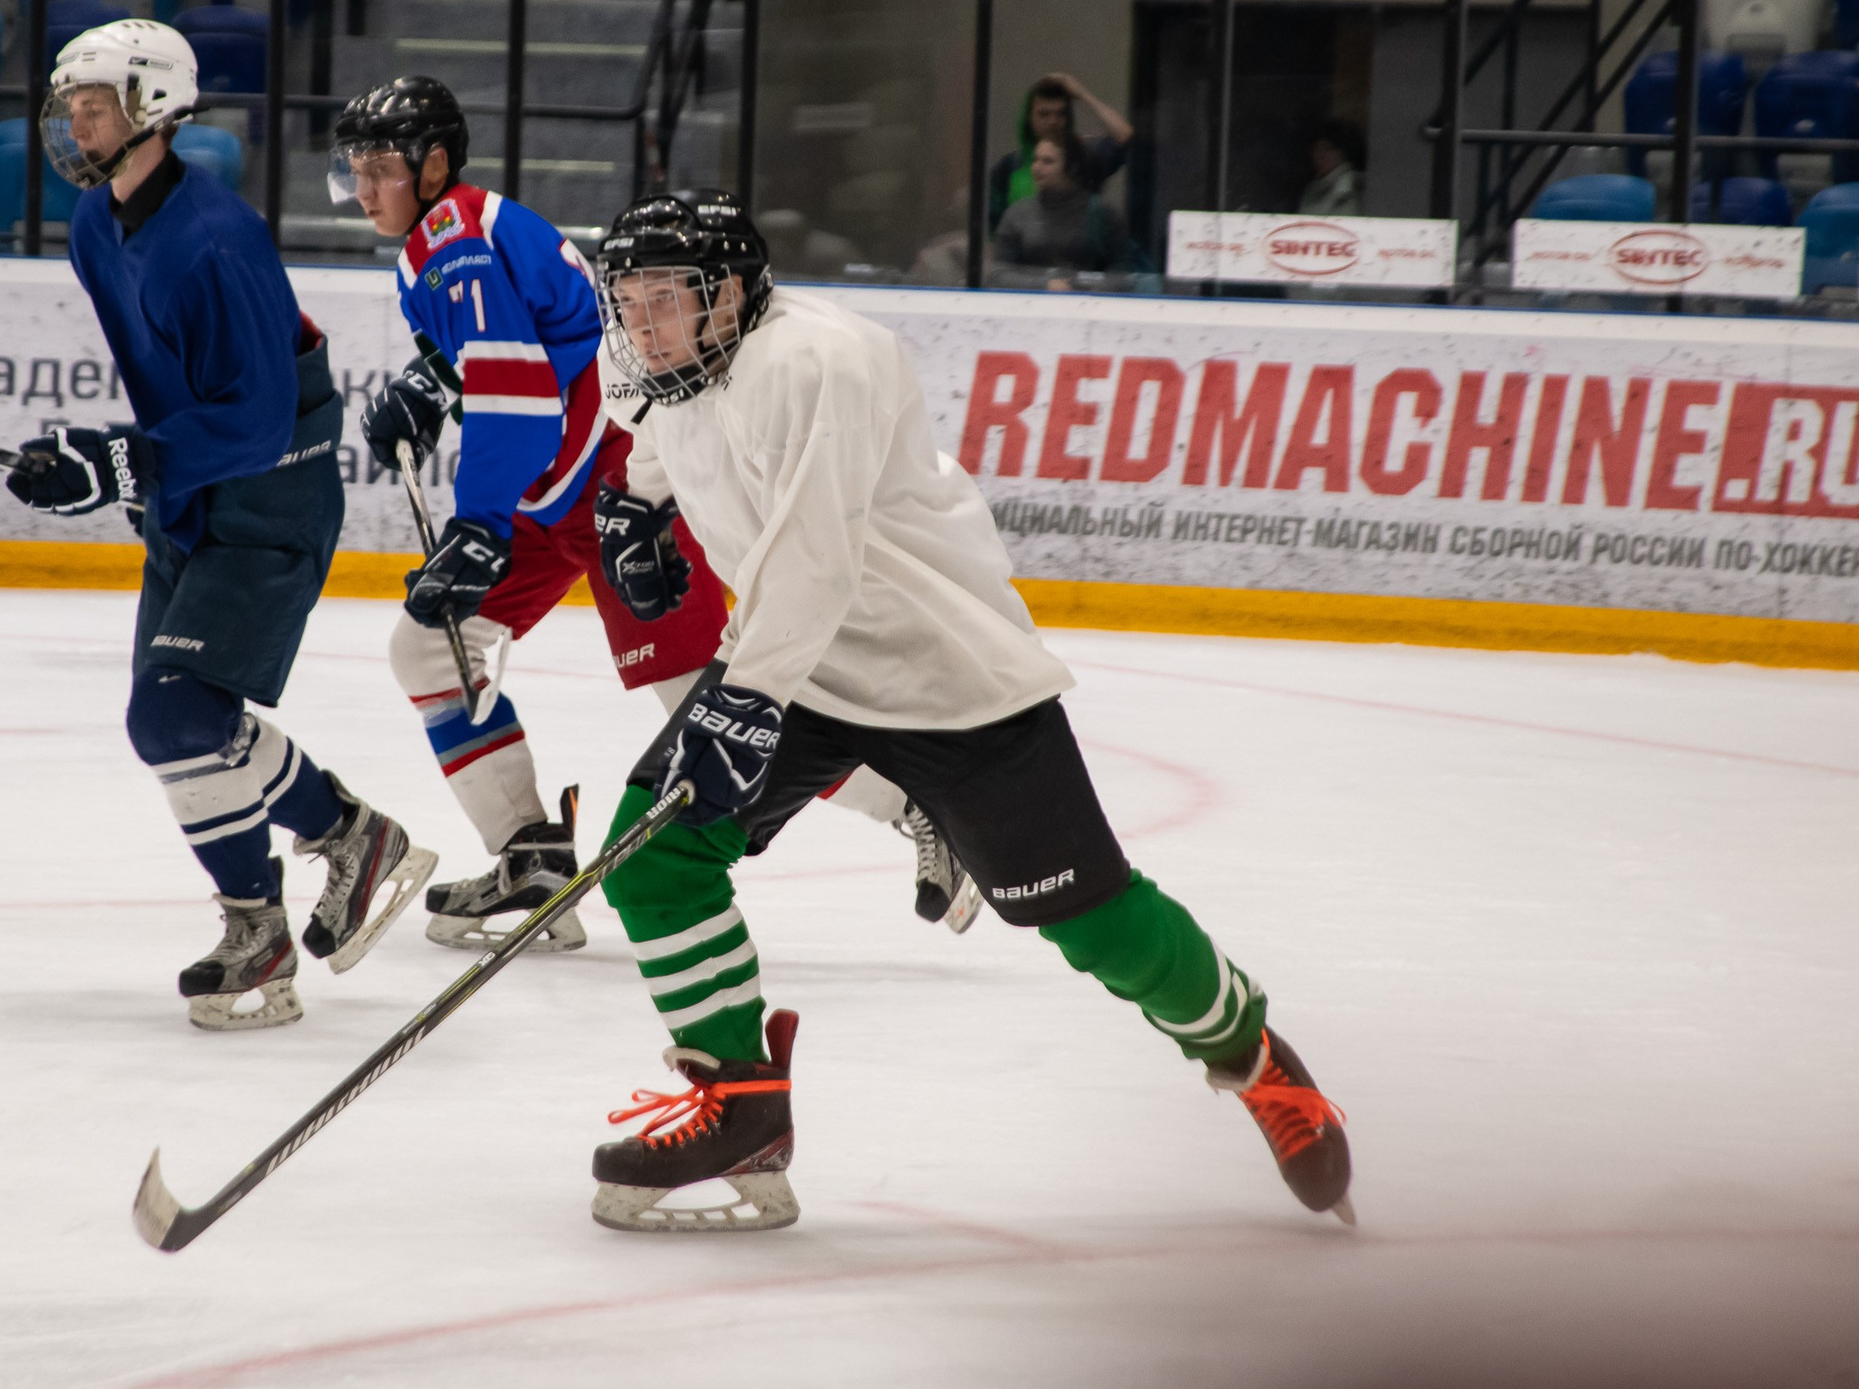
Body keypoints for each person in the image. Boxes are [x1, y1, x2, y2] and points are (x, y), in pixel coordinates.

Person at [576, 191, 1353, 1235]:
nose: (642, 324)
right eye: (627, 301)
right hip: (801, 666)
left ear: (728, 294)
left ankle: (1252, 1055)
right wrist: (637, 503)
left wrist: (743, 699)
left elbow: (815, 560)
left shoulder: (817, 361)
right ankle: (740, 1103)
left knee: (1088, 917)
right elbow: (667, 433)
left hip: (941, 673)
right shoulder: (672, 365)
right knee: (653, 853)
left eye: (664, 298)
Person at [10, 21, 435, 1032]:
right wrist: (111, 462)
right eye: (71, 105)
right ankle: (314, 875)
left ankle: (299, 891)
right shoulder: (94, 223)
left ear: (155, 108)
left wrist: (129, 460)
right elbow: (165, 381)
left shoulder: (216, 238)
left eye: (96, 106)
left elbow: (255, 421)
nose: (77, 124)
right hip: (194, 493)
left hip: (270, 492)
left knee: (178, 714)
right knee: (169, 723)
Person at [331, 76, 733, 952]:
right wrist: (432, 381)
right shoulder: (455, 232)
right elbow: (537, 339)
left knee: (716, 703)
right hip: (557, 488)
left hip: (623, 488)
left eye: (379, 169)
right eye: (354, 170)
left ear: (433, 166)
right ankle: (530, 855)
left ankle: (915, 806)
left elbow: (514, 395)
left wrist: (478, 525)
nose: (362, 189)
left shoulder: (455, 242)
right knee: (429, 648)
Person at [986, 72, 1133, 234]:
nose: (1053, 121)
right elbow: (995, 231)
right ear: (1029, 118)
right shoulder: (1008, 167)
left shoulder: (1085, 157)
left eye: (1061, 114)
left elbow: (1125, 137)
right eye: (1044, 114)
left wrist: (1082, 94)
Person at [989, 135, 1128, 284]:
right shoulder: (1017, 214)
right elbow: (999, 274)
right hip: (1031, 296)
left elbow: (1122, 268)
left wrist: (1092, 289)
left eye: (1047, 161)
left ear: (1072, 168)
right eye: (1035, 160)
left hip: (1089, 296)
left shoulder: (1101, 211)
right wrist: (1044, 286)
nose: (1037, 168)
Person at [1298, 117, 1365, 215]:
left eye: (1327, 149)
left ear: (1342, 153)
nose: (1320, 155)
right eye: (1316, 149)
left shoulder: (1354, 186)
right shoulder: (1313, 189)